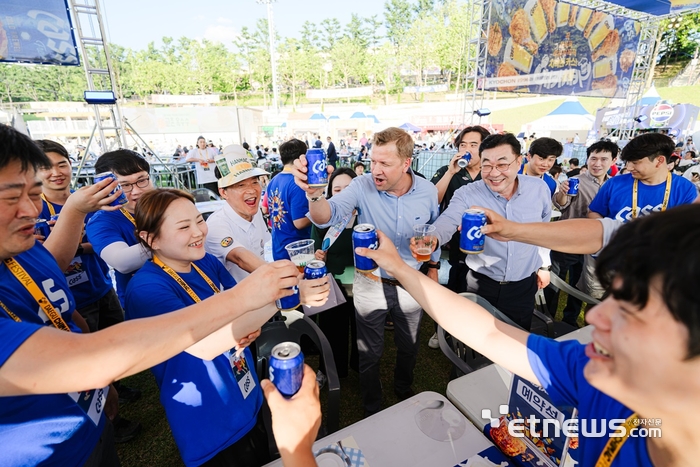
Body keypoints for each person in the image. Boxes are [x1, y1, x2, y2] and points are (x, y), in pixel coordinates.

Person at [358, 203, 700, 467]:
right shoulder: (607, 380)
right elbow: (489, 335)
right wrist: (398, 267)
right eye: (613, 298)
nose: (595, 314)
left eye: (633, 311)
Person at [292, 126, 440, 416]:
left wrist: (433, 265)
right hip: (370, 282)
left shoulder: (428, 191)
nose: (376, 170)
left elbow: (431, 234)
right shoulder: (361, 185)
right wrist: (314, 194)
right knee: (369, 352)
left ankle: (403, 388)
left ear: (406, 163)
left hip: (411, 283)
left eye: (385, 163)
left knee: (409, 346)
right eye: (373, 161)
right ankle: (371, 404)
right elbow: (325, 216)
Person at [125, 189, 272, 466]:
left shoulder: (204, 261)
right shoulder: (147, 290)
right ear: (150, 238)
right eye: (184, 226)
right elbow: (202, 345)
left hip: (244, 390)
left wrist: (251, 327)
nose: (199, 232)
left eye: (199, 220)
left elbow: (241, 308)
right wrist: (283, 297)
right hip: (208, 414)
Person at [429, 133, 552, 330]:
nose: (494, 173)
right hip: (479, 283)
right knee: (473, 340)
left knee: (515, 340)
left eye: (502, 164)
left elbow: (544, 230)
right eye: (486, 165)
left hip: (523, 285)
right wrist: (431, 238)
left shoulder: (538, 189)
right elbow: (448, 220)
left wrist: (544, 266)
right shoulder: (467, 193)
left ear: (519, 161)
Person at [205, 145, 331, 307]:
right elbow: (240, 258)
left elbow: (262, 251)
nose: (251, 190)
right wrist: (290, 282)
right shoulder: (217, 225)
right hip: (235, 310)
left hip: (262, 300)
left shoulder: (255, 212)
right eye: (241, 185)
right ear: (223, 192)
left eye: (254, 182)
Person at [426, 125, 489, 347]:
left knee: (482, 288)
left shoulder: (491, 172)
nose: (468, 149)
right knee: (455, 285)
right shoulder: (448, 170)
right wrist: (450, 172)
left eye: (474, 144)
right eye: (463, 144)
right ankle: (442, 331)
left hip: (488, 242)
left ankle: (476, 334)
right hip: (455, 242)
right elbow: (432, 200)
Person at [548, 140, 618, 326]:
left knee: (581, 285)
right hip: (567, 241)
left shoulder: (614, 185)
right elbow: (561, 204)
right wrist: (563, 192)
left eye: (604, 159)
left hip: (593, 245)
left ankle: (569, 321)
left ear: (613, 160)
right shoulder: (575, 181)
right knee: (555, 283)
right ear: (587, 160)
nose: (597, 163)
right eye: (593, 158)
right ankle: (547, 318)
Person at [85, 149, 154, 307]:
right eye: (125, 185)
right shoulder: (101, 221)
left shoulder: (171, 203)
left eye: (142, 180)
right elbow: (122, 262)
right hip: (144, 303)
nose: (137, 191)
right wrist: (176, 237)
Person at [311, 167, 360, 377]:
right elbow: (314, 250)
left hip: (363, 283)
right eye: (337, 189)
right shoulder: (322, 218)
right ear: (330, 193)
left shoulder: (368, 216)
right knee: (332, 331)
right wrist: (317, 256)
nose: (342, 194)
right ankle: (331, 371)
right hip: (333, 283)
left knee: (362, 331)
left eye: (348, 189)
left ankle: (360, 366)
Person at [267, 139, 312, 261]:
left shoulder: (273, 181)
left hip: (279, 247)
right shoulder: (298, 183)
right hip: (298, 252)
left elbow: (267, 209)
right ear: (303, 157)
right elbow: (300, 222)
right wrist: (321, 213)